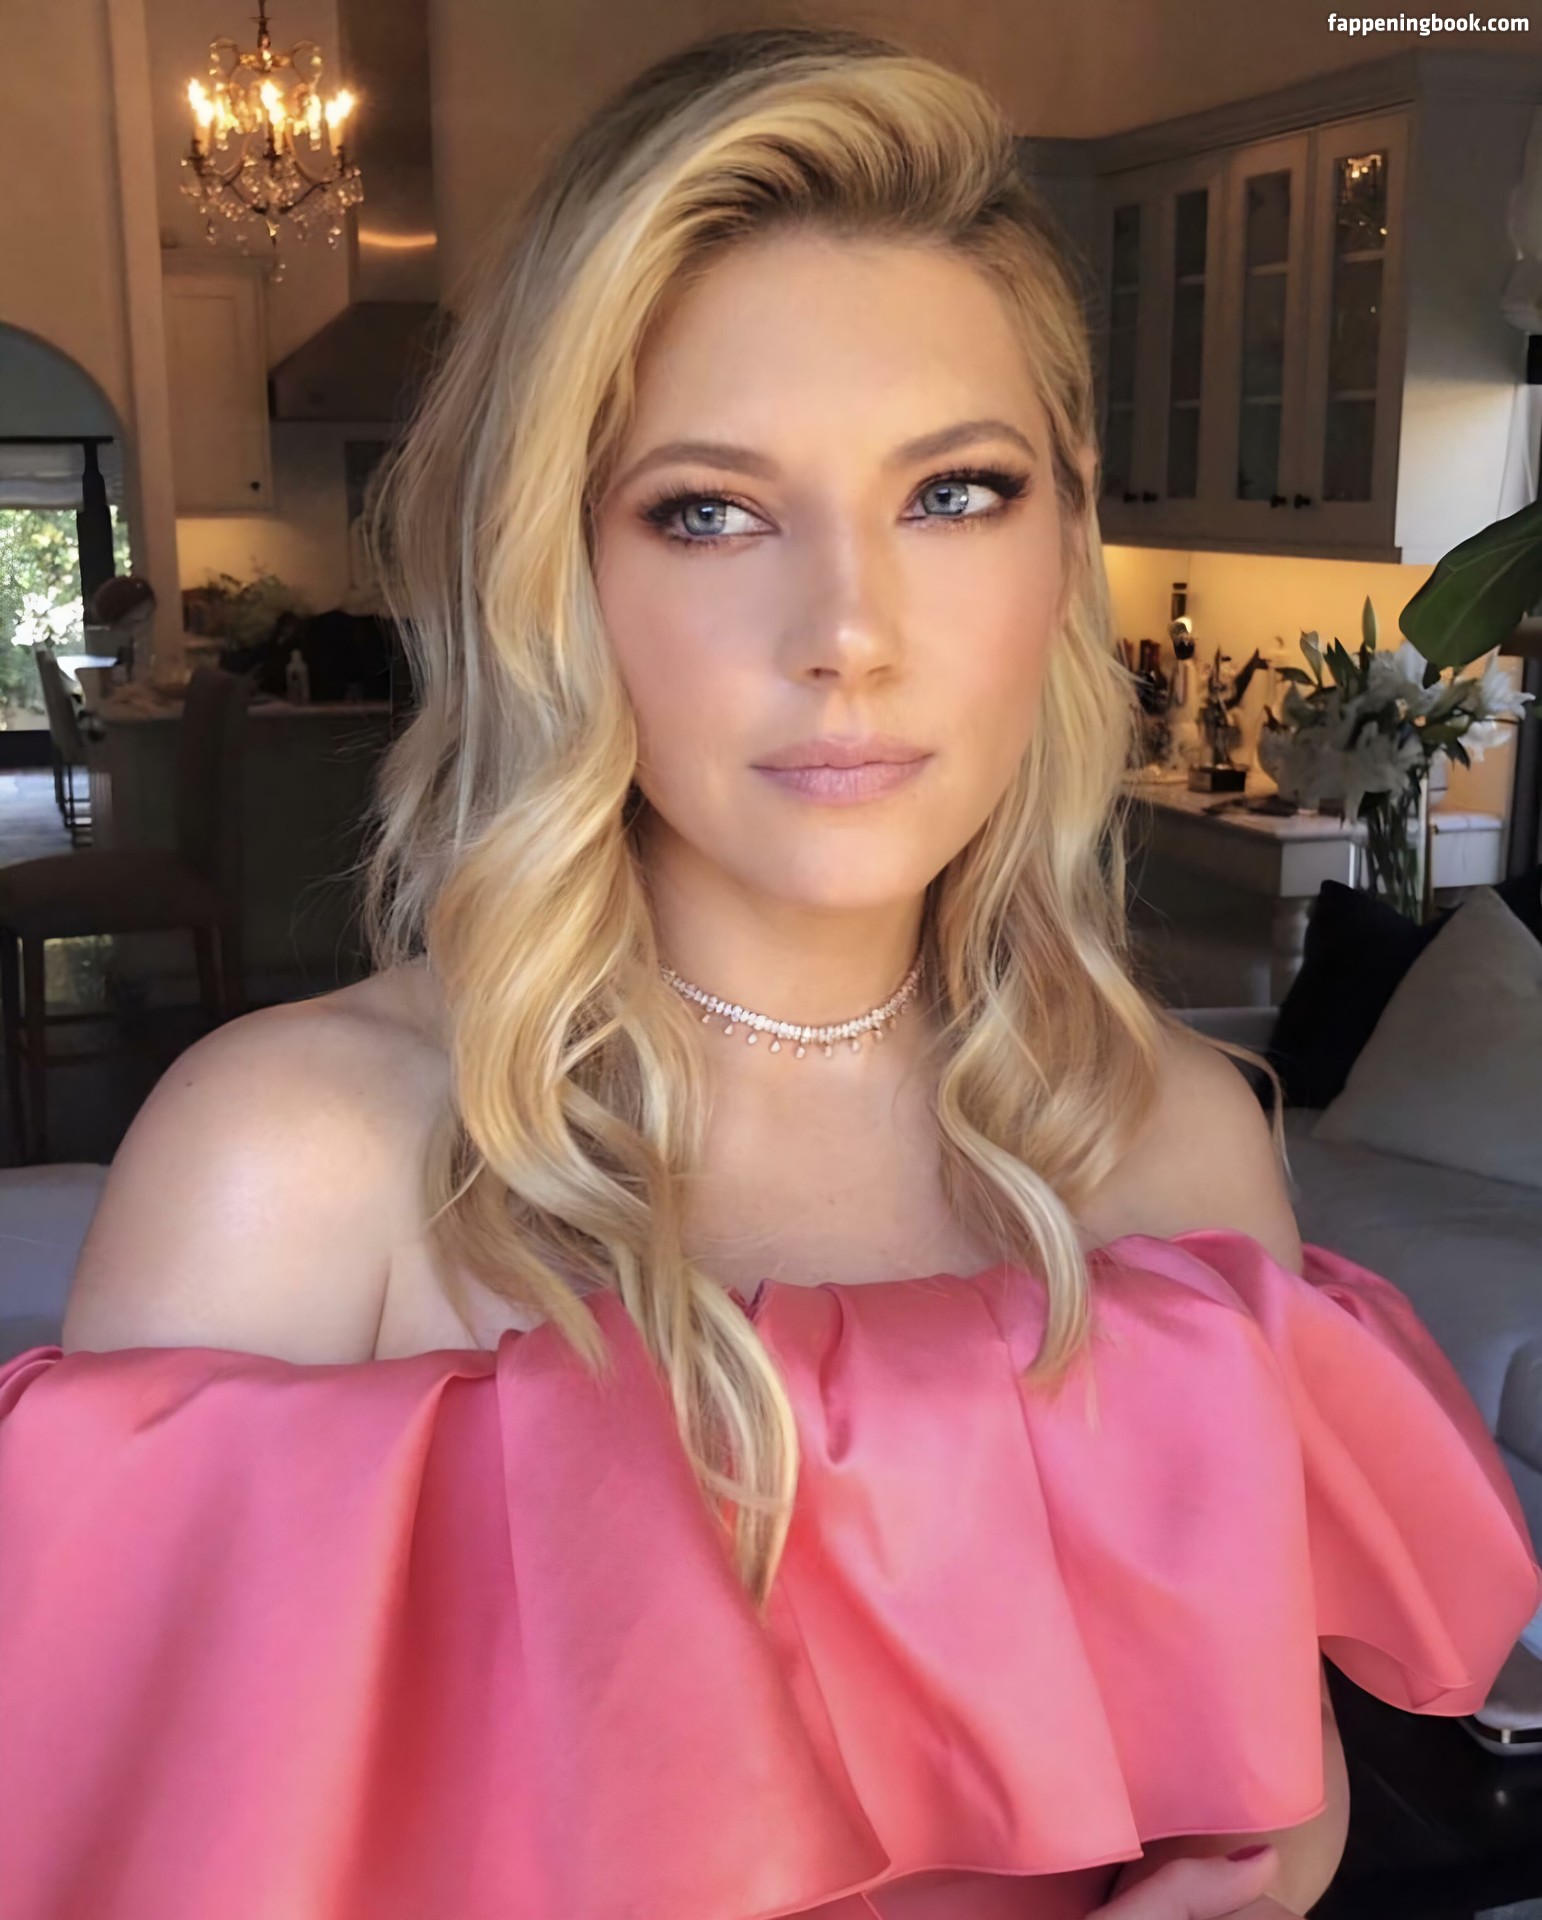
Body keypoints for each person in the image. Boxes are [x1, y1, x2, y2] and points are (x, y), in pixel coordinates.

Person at [1, 27, 1538, 1920]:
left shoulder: (1174, 1137)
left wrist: (1272, 1852)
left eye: (952, 493)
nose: (848, 633)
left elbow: (1261, 1783)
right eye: (707, 510)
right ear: (554, 568)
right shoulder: (294, 1167)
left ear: (1065, 537)